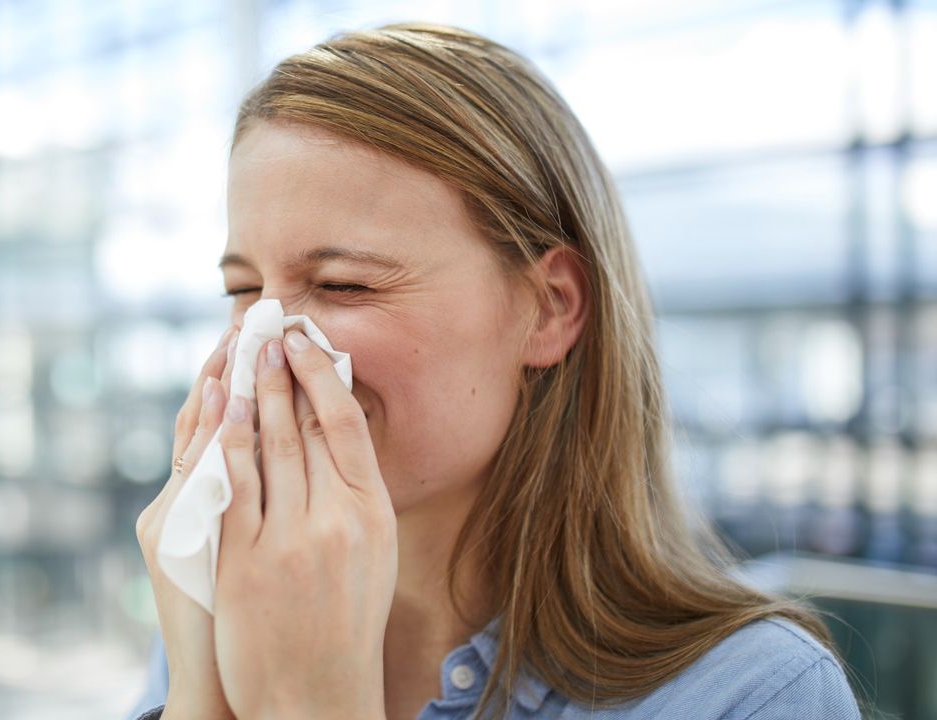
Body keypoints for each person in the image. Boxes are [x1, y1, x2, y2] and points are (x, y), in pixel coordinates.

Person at [130, 21, 862, 720]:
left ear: (549, 308)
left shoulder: (756, 698)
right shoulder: (242, 606)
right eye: (243, 291)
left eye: (344, 284)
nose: (262, 349)